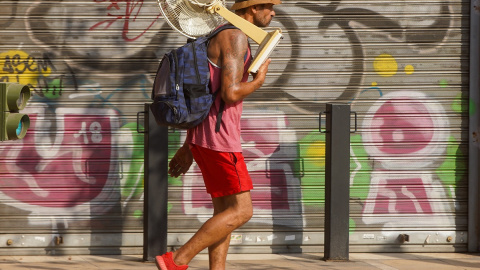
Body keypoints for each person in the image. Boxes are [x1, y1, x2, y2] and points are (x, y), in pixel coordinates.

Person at [155, 0, 281, 269]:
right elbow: (230, 92)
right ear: (252, 8)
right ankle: (177, 259)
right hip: (221, 138)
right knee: (242, 211)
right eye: (269, 6)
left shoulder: (221, 32)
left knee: (224, 213)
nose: (273, 12)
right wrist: (258, 81)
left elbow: (208, 93)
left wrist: (190, 146)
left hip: (204, 136)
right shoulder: (235, 36)